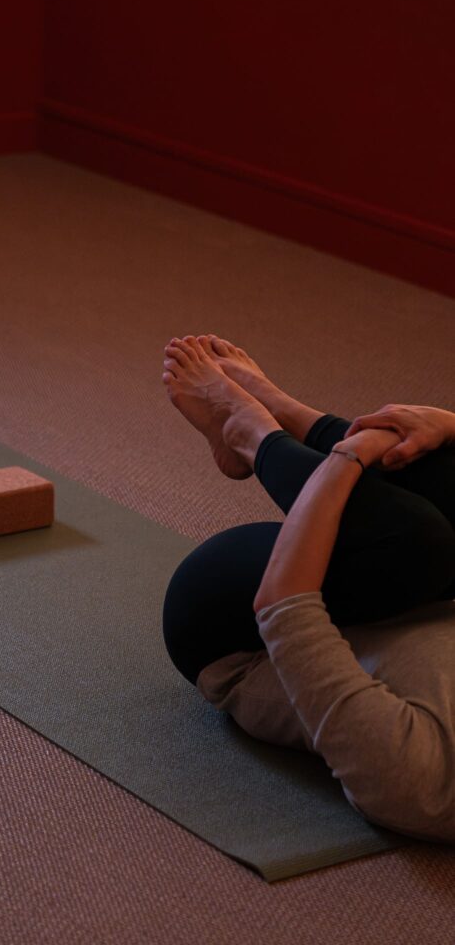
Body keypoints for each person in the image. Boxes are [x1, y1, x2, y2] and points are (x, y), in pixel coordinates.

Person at [161, 334, 455, 842]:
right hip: (402, 587)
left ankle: (250, 433)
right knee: (445, 484)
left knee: (417, 543)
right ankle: (287, 413)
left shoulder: (420, 785)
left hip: (237, 629)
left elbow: (287, 609)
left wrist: (349, 458)